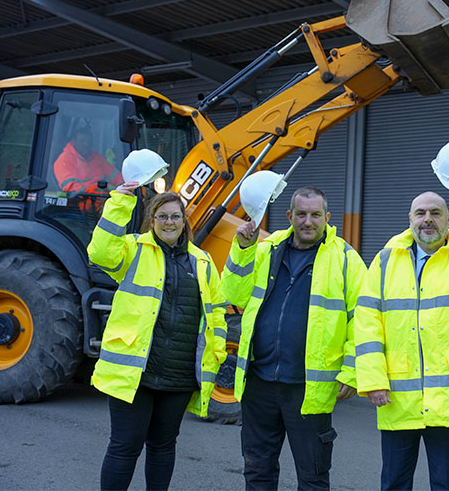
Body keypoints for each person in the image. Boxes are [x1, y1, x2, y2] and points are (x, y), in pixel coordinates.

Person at [354, 185, 449, 490]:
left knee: (447, 484)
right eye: (421, 213)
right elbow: (367, 321)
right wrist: (373, 379)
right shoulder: (384, 262)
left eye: (436, 213)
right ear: (409, 219)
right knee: (394, 482)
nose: (427, 219)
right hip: (398, 393)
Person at [221, 186, 366, 490]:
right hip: (259, 383)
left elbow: (363, 322)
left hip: (308, 390)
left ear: (327, 217)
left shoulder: (346, 259)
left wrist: (352, 372)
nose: (308, 221)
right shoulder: (266, 247)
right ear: (289, 216)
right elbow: (233, 294)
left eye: (315, 215)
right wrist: (243, 250)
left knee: (312, 478)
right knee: (257, 472)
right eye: (301, 214)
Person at [87, 180, 228, 491]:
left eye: (175, 216)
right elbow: (99, 252)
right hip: (136, 371)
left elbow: (216, 315)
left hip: (178, 376)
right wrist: (120, 203)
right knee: (125, 446)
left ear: (184, 221)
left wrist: (215, 356)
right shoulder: (133, 250)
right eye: (162, 216)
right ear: (151, 220)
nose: (169, 222)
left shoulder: (202, 262)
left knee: (164, 447)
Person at [54, 128, 122, 193]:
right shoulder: (64, 159)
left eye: (89, 142)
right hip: (78, 202)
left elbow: (117, 177)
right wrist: (92, 191)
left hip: (101, 200)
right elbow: (70, 186)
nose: (86, 144)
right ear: (74, 141)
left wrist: (126, 186)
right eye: (82, 141)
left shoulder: (97, 158)